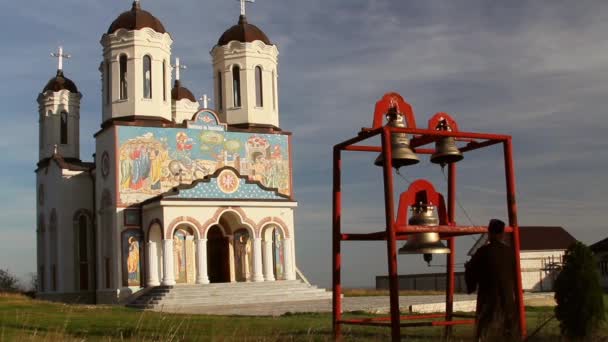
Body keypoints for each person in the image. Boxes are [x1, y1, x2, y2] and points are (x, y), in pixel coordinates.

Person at [465, 219, 518, 341]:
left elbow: (472, 271)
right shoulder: (509, 252)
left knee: (484, 323)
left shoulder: (483, 251)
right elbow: (515, 274)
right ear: (502, 234)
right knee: (508, 324)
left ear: (489, 233)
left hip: (488, 295)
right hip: (507, 295)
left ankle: (480, 339)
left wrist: (470, 281)